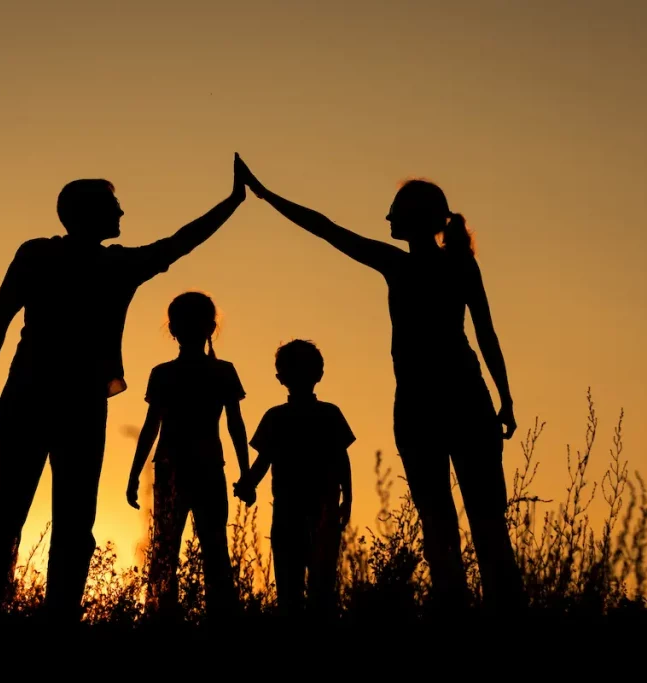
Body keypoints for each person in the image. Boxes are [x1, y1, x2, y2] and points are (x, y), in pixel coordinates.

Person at [235, 156, 525, 611]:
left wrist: (267, 196)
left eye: (395, 211)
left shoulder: (409, 266)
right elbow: (486, 335)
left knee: (446, 519)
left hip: (426, 405)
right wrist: (504, 399)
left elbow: (327, 229)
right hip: (456, 400)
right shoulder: (452, 266)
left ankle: (466, 608)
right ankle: (491, 610)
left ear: (417, 220)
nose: (387, 218)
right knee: (480, 518)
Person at [0, 154, 247, 618]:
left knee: (11, 512)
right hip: (68, 402)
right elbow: (180, 243)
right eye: (114, 207)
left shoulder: (42, 255)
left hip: (33, 395)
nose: (121, 215)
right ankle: (43, 614)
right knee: (60, 516)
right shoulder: (100, 264)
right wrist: (233, 202)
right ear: (89, 213)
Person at [126, 292, 249, 620]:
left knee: (167, 546)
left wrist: (134, 473)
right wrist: (246, 471)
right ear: (211, 327)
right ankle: (217, 617)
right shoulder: (219, 372)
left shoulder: (166, 373)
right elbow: (235, 425)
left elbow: (152, 427)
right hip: (203, 467)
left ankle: (162, 617)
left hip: (178, 467)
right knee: (211, 547)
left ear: (173, 329)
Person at [233, 339, 354, 619]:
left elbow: (264, 461)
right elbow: (341, 459)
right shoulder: (325, 414)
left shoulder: (282, 417)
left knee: (299, 586)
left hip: (303, 511)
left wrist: (248, 484)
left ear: (280, 378)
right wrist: (347, 498)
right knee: (313, 585)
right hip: (303, 510)